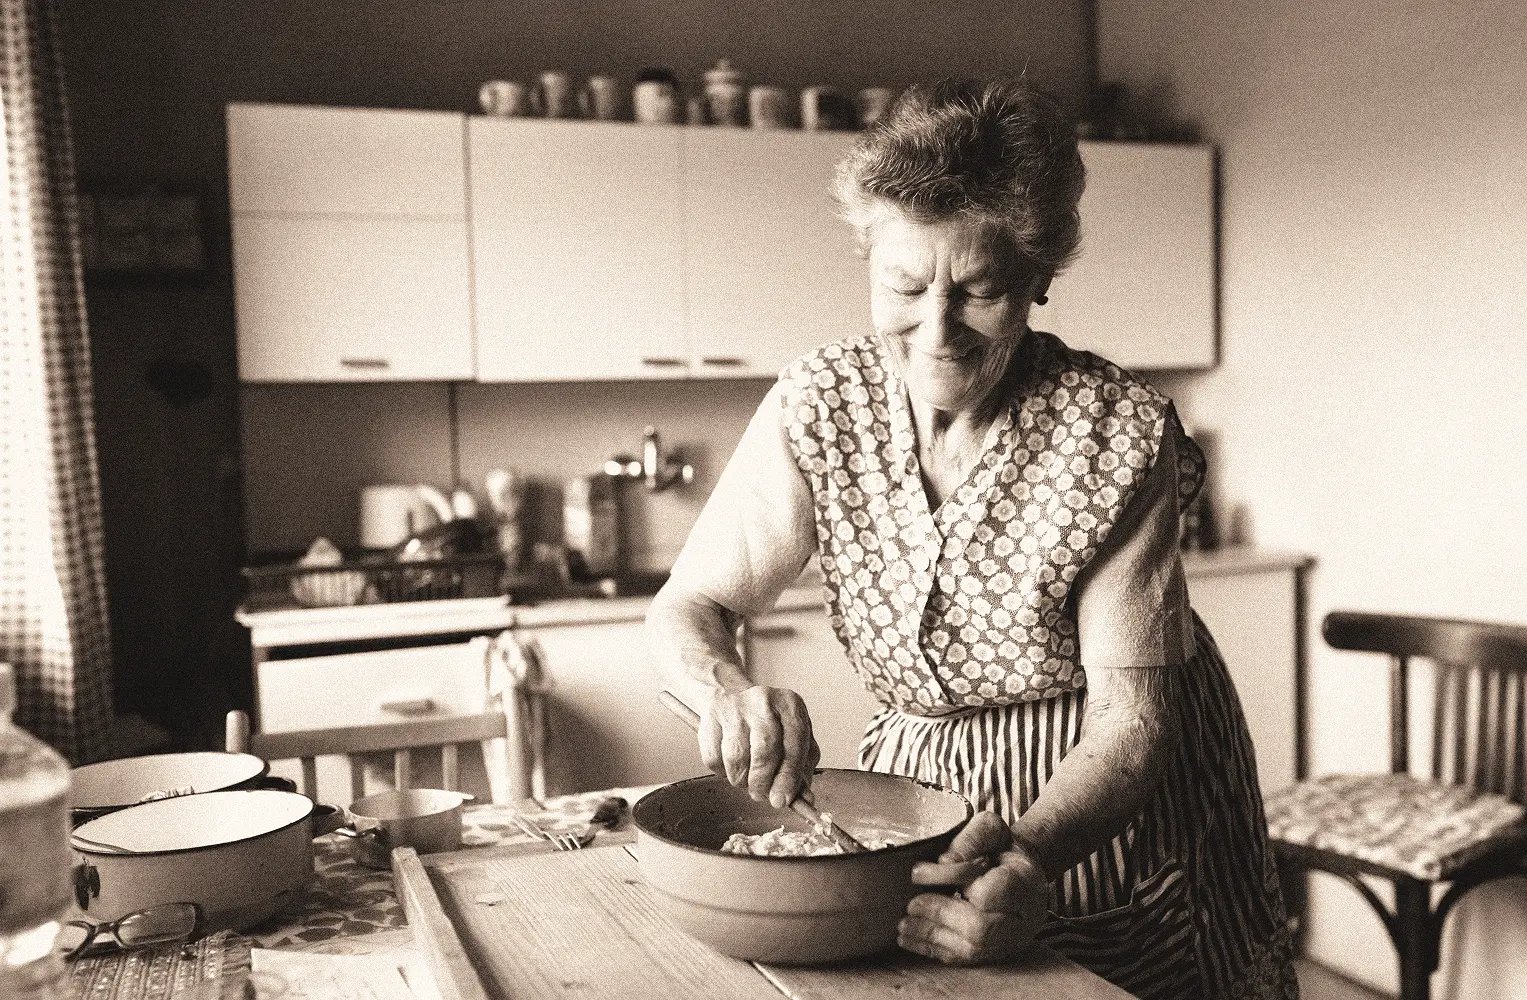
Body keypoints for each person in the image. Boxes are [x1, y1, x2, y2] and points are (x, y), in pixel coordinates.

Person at [646, 78, 1298, 1000]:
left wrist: (1029, 855)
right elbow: (691, 606)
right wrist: (724, 690)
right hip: (918, 785)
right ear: (868, 259)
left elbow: (1130, 724)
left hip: (1100, 798)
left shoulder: (1113, 430)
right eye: (904, 286)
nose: (937, 330)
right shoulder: (817, 400)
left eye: (981, 291)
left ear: (1037, 279)